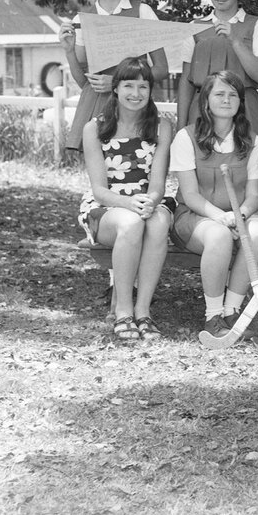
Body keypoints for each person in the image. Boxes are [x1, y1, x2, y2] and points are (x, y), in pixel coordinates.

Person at [77, 57, 173, 340]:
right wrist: (130, 203)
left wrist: (150, 201)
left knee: (156, 224)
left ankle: (143, 312)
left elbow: (157, 183)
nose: (136, 93)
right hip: (108, 206)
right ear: (115, 89)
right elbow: (99, 190)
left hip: (148, 201)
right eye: (128, 85)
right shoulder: (95, 128)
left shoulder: (162, 127)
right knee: (131, 224)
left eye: (143, 86)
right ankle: (123, 312)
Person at [169, 70, 258, 337]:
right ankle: (213, 315)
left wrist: (241, 215)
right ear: (206, 100)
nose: (227, 99)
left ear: (240, 102)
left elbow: (253, 196)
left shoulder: (252, 140)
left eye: (233, 94)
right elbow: (190, 195)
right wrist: (223, 218)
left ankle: (232, 310)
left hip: (241, 214)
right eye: (219, 94)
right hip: (196, 217)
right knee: (219, 235)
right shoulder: (186, 137)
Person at [59, 0, 169, 151]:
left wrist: (117, 83)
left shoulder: (142, 12)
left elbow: (162, 69)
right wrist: (69, 51)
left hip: (134, 104)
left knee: (136, 172)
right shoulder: (82, 19)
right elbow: (84, 82)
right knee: (101, 177)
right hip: (96, 107)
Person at [176, 0, 258, 143]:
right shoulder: (194, 28)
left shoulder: (257, 25)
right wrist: (181, 127)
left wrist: (235, 41)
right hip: (202, 110)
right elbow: (186, 81)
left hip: (245, 109)